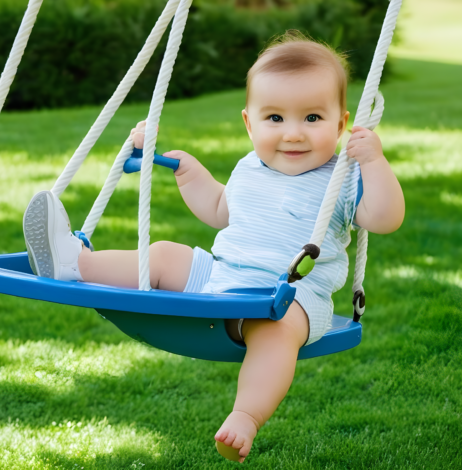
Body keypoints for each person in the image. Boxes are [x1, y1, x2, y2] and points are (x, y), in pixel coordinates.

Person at [23, 31, 404, 463]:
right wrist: (188, 174)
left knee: (276, 335)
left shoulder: (344, 176)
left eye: (312, 119)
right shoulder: (250, 167)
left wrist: (374, 162)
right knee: (165, 254)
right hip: (222, 276)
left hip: (293, 296)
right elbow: (221, 208)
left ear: (341, 125)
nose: (293, 134)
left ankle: (246, 415)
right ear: (249, 123)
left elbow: (385, 217)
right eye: (275, 118)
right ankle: (73, 263)